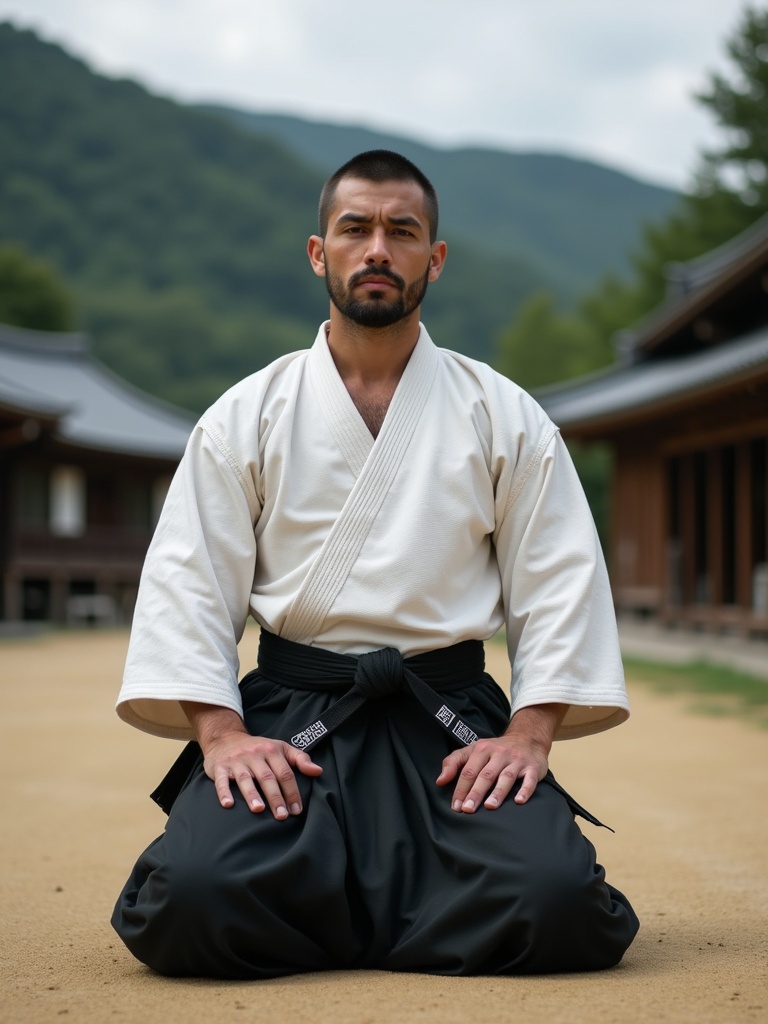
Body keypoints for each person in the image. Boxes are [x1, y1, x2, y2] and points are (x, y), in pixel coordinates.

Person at [112, 149, 639, 978]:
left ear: (434, 258)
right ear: (320, 251)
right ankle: (405, 911)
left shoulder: (504, 415)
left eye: (403, 231)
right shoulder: (245, 415)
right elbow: (189, 583)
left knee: (559, 904)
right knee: (191, 900)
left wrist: (530, 736)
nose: (378, 250)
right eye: (355, 229)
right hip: (294, 721)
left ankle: (336, 914)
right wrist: (221, 736)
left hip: (450, 720)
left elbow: (560, 580)